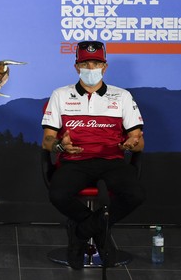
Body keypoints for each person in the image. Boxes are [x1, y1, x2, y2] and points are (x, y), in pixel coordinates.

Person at [41, 40, 145, 269]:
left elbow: (139, 142)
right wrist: (60, 146)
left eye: (96, 64)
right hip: (75, 160)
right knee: (58, 194)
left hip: (112, 160)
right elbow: (47, 141)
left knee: (135, 195)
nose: (90, 69)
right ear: (76, 67)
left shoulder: (123, 96)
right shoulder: (60, 95)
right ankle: (101, 236)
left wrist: (131, 144)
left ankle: (81, 231)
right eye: (85, 64)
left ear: (105, 67)